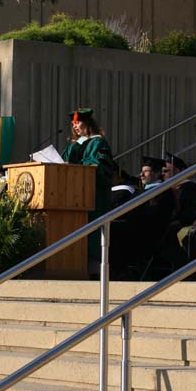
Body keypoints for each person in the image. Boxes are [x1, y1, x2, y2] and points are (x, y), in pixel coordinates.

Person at [61, 108, 115, 271]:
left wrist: (75, 167)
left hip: (93, 198)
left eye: (78, 122)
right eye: (73, 123)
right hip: (72, 198)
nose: (75, 126)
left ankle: (93, 268)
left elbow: (100, 168)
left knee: (91, 237)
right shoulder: (76, 144)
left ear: (88, 123)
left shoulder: (99, 143)